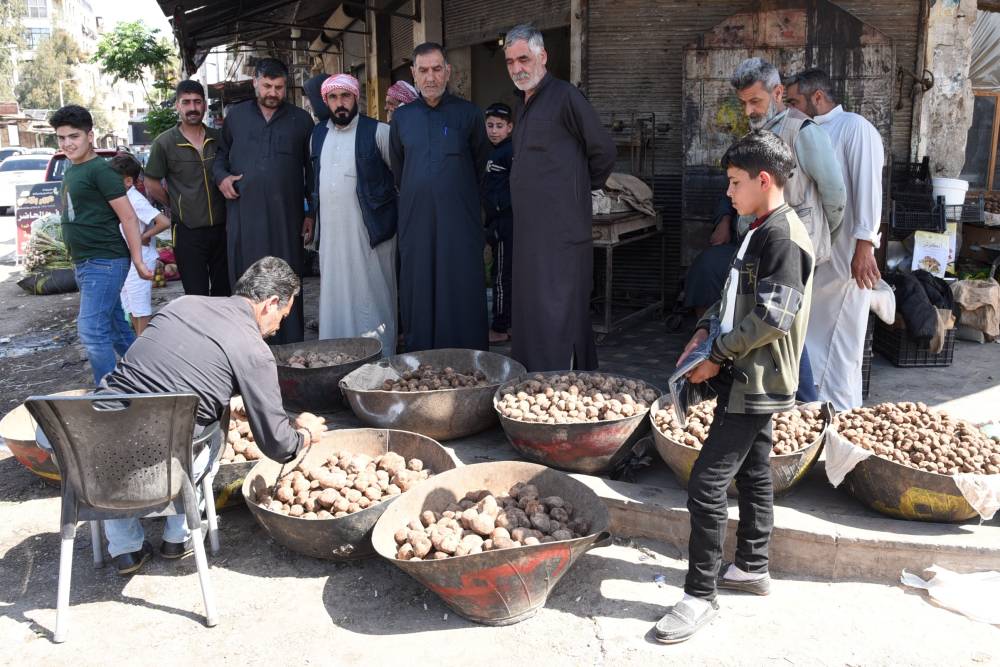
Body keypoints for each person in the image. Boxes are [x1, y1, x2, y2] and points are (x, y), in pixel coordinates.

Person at [655, 131, 814, 644]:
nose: (729, 192)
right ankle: (751, 566)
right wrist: (704, 331)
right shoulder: (758, 228)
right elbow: (732, 299)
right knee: (754, 472)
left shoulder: (783, 237)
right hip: (747, 371)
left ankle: (699, 596)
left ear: (763, 181)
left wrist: (717, 357)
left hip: (754, 378)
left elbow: (773, 316)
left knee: (706, 483)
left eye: (734, 182)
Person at [97, 256, 327, 575]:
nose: (277, 329)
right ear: (271, 303)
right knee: (212, 433)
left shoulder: (182, 305)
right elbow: (279, 445)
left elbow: (159, 370)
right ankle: (178, 537)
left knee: (120, 426)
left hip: (92, 452)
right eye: (283, 316)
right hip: (163, 463)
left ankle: (125, 550)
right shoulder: (254, 349)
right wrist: (305, 434)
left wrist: (225, 400)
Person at [729, 57, 846, 402]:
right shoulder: (761, 134)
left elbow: (835, 195)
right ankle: (789, 409)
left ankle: (807, 410)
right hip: (761, 248)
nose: (749, 110)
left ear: (778, 92)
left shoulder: (804, 132)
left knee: (783, 330)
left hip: (789, 252)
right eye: (744, 103)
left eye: (756, 101)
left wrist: (818, 241)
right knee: (777, 331)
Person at [505, 24, 616, 372]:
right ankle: (532, 382)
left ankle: (561, 385)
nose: (517, 68)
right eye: (510, 62)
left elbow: (603, 151)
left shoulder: (566, 97)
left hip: (562, 234)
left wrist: (577, 190)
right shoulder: (523, 105)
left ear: (543, 57)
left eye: (523, 58)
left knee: (559, 312)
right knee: (533, 310)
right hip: (529, 233)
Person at [785, 68, 884, 411]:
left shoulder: (856, 128)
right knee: (811, 339)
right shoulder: (805, 131)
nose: (791, 108)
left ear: (817, 98)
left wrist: (865, 246)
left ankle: (841, 417)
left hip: (847, 257)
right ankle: (814, 415)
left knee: (841, 346)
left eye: (795, 101)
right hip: (818, 253)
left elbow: (869, 189)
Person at [389, 42, 491, 352]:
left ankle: (468, 358)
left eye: (437, 69)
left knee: (459, 283)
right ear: (414, 74)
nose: (430, 77)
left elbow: (480, 167)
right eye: (423, 71)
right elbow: (399, 169)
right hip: (416, 221)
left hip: (460, 222)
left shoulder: (470, 114)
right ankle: (422, 357)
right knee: (419, 285)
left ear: (448, 71)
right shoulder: (403, 119)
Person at [213, 58, 315, 345]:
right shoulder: (236, 117)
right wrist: (221, 178)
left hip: (287, 218)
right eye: (267, 86)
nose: (273, 92)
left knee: (286, 279)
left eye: (279, 87)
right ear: (255, 83)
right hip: (245, 218)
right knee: (247, 281)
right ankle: (246, 346)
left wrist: (311, 213)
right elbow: (220, 155)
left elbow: (311, 170)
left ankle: (291, 347)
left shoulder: (301, 120)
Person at [50, 105, 152, 385]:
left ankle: (109, 394)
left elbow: (129, 217)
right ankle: (149, 380)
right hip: (86, 263)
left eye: (74, 136)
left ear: (90, 136)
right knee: (116, 329)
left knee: (92, 331)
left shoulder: (101, 171)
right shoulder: (73, 169)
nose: (67, 143)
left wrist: (139, 260)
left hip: (105, 261)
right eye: (61, 138)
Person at [311, 73, 398, 354]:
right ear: (326, 101)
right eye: (333, 98)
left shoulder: (379, 132)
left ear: (356, 97)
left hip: (372, 234)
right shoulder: (317, 135)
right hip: (332, 235)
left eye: (345, 96)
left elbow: (401, 181)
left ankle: (379, 356)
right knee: (334, 294)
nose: (340, 104)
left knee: (373, 296)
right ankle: (335, 355)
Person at [144, 80, 230, 298]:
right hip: (187, 230)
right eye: (186, 102)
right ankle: (199, 333)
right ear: (177, 106)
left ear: (204, 104)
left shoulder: (219, 138)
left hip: (224, 228)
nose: (192, 108)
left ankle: (222, 333)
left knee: (225, 291)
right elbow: (151, 183)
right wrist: (175, 204)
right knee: (196, 295)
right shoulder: (164, 143)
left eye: (197, 102)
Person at [109, 153, 171, 335]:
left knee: (140, 307)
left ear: (128, 181)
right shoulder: (123, 198)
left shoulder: (135, 199)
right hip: (131, 258)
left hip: (142, 259)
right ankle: (138, 343)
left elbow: (164, 222)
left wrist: (145, 236)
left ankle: (143, 346)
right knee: (131, 305)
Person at [481, 102, 514, 343]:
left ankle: (501, 327)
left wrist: (502, 211)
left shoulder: (511, 151)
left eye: (499, 126)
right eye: (490, 125)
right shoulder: (487, 151)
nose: (494, 130)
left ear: (510, 127)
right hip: (495, 222)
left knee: (501, 276)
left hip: (507, 223)